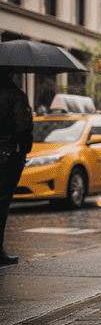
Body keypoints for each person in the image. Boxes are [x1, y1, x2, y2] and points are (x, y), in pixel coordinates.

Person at [0, 68, 33, 265]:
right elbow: (23, 128)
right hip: (6, 156)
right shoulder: (15, 95)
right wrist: (24, 150)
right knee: (1, 204)